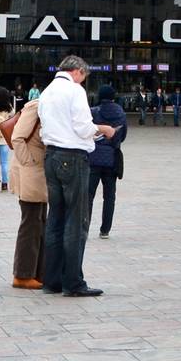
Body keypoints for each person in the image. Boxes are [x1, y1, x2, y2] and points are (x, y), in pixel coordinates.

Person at [37, 57, 117, 298]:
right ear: (79, 71)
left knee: (55, 219)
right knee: (76, 220)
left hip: (51, 155)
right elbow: (83, 127)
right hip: (72, 158)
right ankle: (73, 281)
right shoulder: (74, 90)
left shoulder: (47, 91)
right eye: (84, 76)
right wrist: (103, 129)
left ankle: (52, 280)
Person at [9, 92, 48, 288]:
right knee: (31, 223)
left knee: (40, 222)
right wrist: (29, 162)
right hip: (31, 171)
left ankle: (38, 272)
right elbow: (17, 137)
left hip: (39, 171)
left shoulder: (49, 107)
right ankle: (23, 275)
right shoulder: (35, 107)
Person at [88, 84, 127, 239]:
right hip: (111, 159)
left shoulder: (93, 112)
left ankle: (85, 226)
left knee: (88, 195)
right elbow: (122, 136)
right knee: (109, 196)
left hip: (93, 158)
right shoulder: (121, 114)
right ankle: (105, 230)